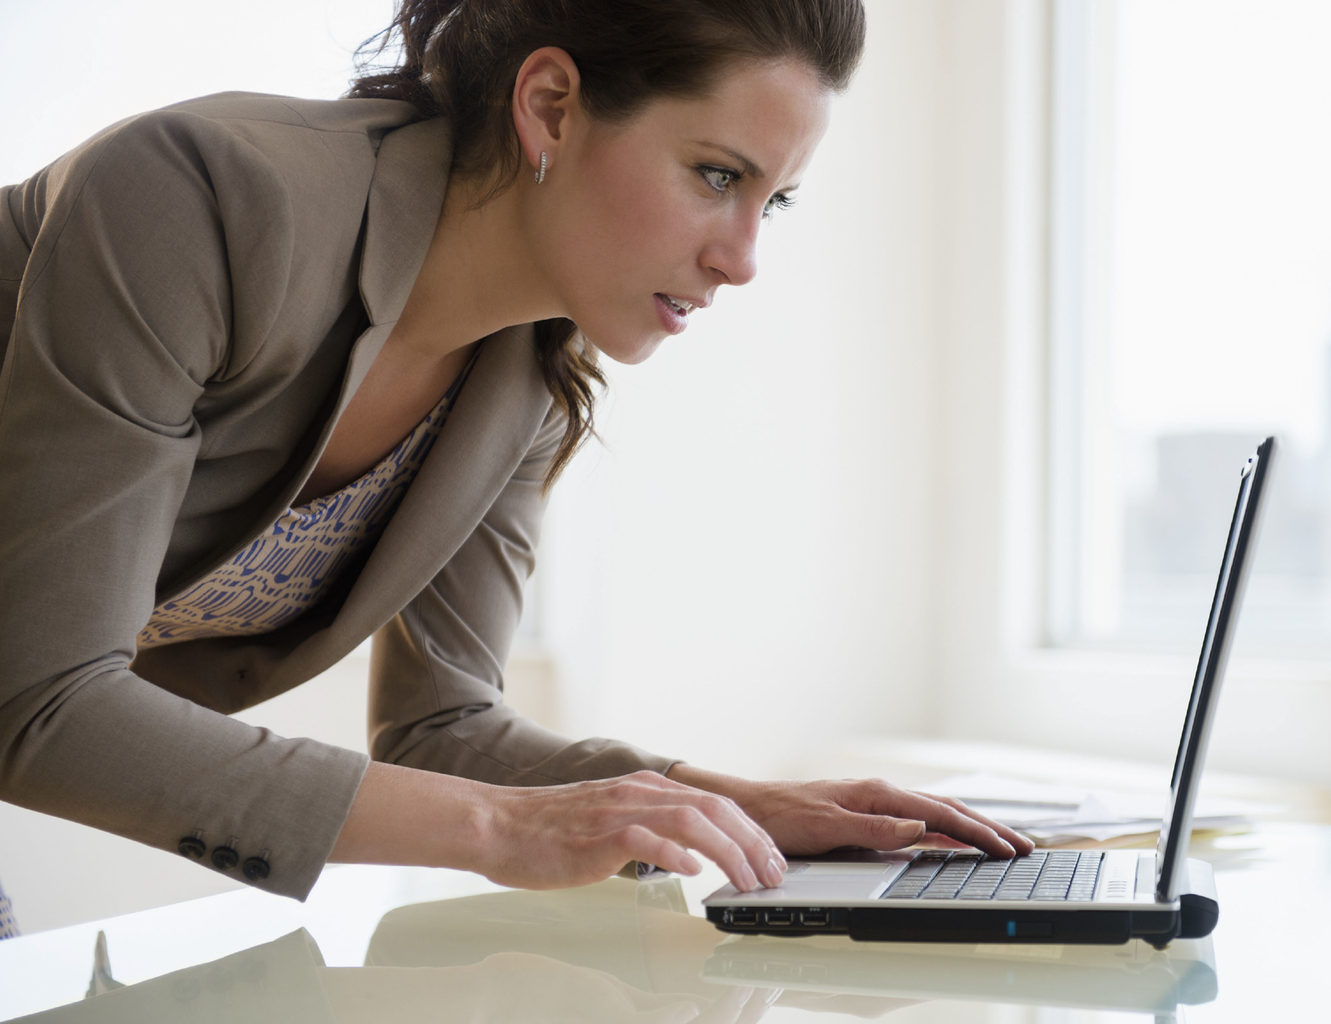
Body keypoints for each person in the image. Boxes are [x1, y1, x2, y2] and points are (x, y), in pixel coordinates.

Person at [0, 0, 1030, 905]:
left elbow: (442, 722)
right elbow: (40, 694)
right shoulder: (203, 200)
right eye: (718, 174)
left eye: (777, 200)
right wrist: (500, 831)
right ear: (549, 105)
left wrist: (737, 804)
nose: (743, 258)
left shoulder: (523, 382)